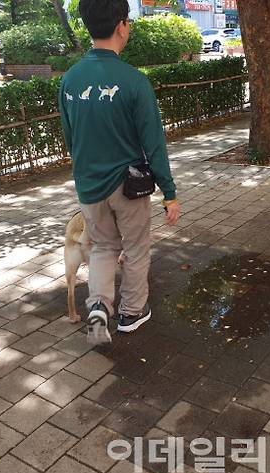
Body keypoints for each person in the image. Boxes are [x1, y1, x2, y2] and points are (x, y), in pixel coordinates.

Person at [58, 0, 179, 344]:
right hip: (129, 186)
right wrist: (169, 193)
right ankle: (131, 313)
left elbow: (70, 139)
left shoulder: (69, 80)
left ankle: (98, 306)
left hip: (89, 186)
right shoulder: (134, 81)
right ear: (121, 25)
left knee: (102, 247)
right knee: (136, 248)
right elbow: (153, 144)